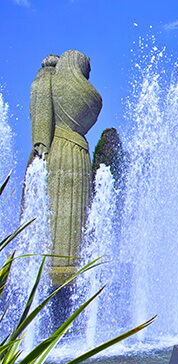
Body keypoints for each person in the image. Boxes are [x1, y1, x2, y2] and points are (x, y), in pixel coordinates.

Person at [28, 50, 102, 280]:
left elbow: (40, 120)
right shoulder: (88, 95)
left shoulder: (48, 80)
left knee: (58, 215)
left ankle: (55, 271)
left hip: (57, 152)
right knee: (73, 218)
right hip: (78, 156)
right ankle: (67, 269)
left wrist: (47, 70)